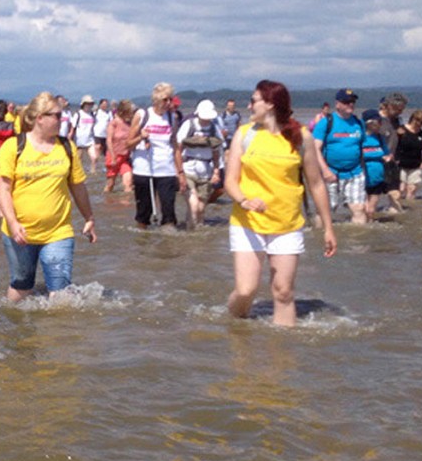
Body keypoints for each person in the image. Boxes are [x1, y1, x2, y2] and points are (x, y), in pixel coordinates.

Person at [224, 80, 337, 327]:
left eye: (254, 100)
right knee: (245, 291)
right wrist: (244, 200)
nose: (249, 105)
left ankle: (282, 356)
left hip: (287, 223)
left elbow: (316, 184)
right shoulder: (244, 134)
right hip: (248, 223)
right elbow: (230, 181)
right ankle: (233, 325)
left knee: (283, 291)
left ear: (270, 104)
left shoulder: (300, 136)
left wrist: (328, 227)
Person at [0, 92, 96, 301]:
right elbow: (3, 189)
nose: (62, 120)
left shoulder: (67, 147)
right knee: (22, 285)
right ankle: (17, 329)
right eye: (57, 116)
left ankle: (57, 333)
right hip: (20, 232)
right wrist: (12, 223)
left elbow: (78, 187)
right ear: (39, 118)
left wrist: (89, 218)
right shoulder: (13, 147)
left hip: (58, 231)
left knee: (61, 292)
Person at [128, 83, 182, 229]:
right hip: (144, 170)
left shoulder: (172, 117)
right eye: (165, 100)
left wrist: (180, 172)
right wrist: (141, 137)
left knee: (169, 212)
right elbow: (128, 144)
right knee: (143, 215)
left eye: (170, 99)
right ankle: (143, 246)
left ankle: (168, 247)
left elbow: (175, 146)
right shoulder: (142, 115)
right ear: (156, 100)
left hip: (166, 170)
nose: (169, 103)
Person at [313, 89, 367, 224]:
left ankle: (359, 243)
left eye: (352, 102)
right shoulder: (326, 122)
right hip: (331, 172)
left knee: (359, 209)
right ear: (337, 104)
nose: (350, 105)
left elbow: (363, 148)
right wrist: (325, 171)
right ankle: (321, 237)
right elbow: (315, 149)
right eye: (346, 102)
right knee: (324, 209)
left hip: (355, 172)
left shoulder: (359, 123)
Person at [177, 99, 223, 228]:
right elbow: (178, 148)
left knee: (201, 208)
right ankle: (191, 235)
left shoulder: (214, 128)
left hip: (206, 172)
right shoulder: (189, 125)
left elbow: (216, 151)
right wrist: (178, 171)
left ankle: (196, 234)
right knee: (194, 205)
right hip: (188, 169)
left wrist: (216, 171)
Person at [360, 110, 389, 219]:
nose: (380, 125)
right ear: (369, 123)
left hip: (378, 177)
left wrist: (388, 157)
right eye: (378, 122)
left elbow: (386, 153)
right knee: (362, 209)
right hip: (363, 178)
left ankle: (370, 225)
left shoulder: (380, 138)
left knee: (371, 209)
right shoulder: (360, 138)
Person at [395, 110, 422, 201]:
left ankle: (410, 206)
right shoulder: (401, 130)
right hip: (401, 163)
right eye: (418, 121)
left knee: (412, 189)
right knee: (401, 188)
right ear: (412, 119)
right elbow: (394, 145)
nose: (419, 124)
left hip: (415, 164)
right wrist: (395, 159)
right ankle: (398, 207)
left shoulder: (420, 133)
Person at [104, 99, 135, 193]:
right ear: (124, 112)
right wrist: (113, 157)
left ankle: (126, 205)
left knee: (128, 183)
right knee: (110, 185)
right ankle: (107, 201)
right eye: (130, 112)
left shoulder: (129, 124)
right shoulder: (114, 123)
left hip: (125, 158)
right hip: (113, 156)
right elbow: (108, 140)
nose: (132, 114)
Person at [70, 95, 97, 172]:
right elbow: (73, 127)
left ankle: (93, 173)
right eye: (88, 104)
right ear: (83, 104)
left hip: (90, 140)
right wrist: (70, 137)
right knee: (78, 160)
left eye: (91, 104)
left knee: (94, 157)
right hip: (79, 141)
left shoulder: (92, 115)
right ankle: (78, 173)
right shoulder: (78, 114)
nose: (89, 106)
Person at [92, 98, 112, 175]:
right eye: (103, 104)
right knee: (97, 149)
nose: (105, 106)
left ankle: (106, 167)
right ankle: (93, 167)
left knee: (106, 152)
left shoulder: (109, 113)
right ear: (100, 105)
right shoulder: (96, 113)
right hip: (97, 134)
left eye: (106, 105)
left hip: (106, 135)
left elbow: (111, 123)